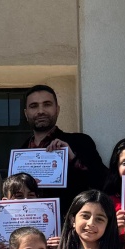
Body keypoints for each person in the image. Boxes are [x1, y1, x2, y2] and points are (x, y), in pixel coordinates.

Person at [20, 85, 107, 213]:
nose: (40, 111)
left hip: (70, 226)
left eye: (47, 104)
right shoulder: (20, 152)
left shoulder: (80, 142)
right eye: (34, 106)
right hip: (30, 224)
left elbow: (103, 183)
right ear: (26, 113)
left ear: (57, 109)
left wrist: (73, 158)